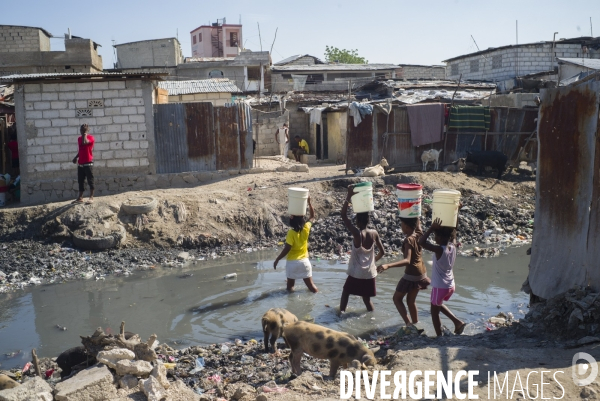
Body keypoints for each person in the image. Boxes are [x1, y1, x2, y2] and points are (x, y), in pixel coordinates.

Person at [339, 185, 385, 312]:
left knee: (346, 292)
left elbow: (343, 215)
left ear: (358, 221)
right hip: (369, 273)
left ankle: (340, 314)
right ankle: (372, 316)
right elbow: (383, 252)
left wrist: (349, 195)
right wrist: (372, 262)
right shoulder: (374, 233)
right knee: (366, 299)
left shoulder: (357, 234)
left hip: (356, 272)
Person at [377, 217, 430, 327]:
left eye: (401, 224)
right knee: (411, 301)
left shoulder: (408, 240)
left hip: (412, 273)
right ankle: (416, 324)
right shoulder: (419, 233)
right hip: (422, 272)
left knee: (397, 299)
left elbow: (407, 260)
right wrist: (416, 212)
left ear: (406, 226)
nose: (401, 226)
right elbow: (418, 224)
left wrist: (388, 265)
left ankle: (409, 325)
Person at [419, 218, 466, 336]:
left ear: (439, 238)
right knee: (437, 305)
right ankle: (457, 322)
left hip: (440, 287)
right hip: (450, 285)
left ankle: (439, 337)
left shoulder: (440, 249)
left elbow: (422, 242)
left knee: (434, 313)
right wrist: (455, 216)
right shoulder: (453, 246)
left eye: (435, 236)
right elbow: (453, 232)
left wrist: (431, 228)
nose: (434, 239)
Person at [274, 196, 318, 293]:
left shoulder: (291, 233)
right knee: (312, 287)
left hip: (292, 263)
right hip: (305, 262)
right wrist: (309, 203)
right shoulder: (306, 228)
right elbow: (312, 216)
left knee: (290, 288)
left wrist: (277, 259)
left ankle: (290, 306)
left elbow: (287, 248)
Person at [72, 124, 95, 203]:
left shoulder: (91, 138)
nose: (82, 132)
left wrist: (85, 134)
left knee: (90, 180)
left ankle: (91, 197)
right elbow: (80, 150)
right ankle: (80, 197)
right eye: (81, 130)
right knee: (81, 181)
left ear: (87, 130)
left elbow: (85, 143)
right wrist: (76, 157)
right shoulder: (79, 139)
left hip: (88, 162)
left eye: (84, 130)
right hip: (81, 163)